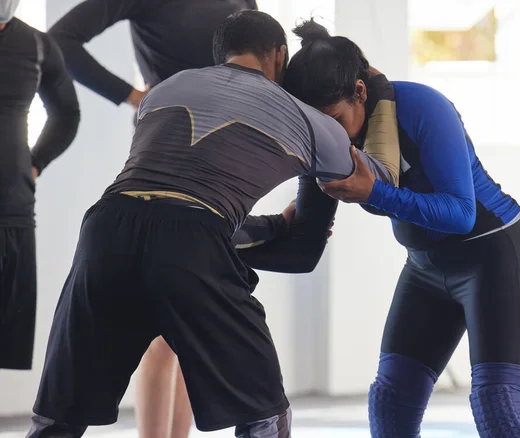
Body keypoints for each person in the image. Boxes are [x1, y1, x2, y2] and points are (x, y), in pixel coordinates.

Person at [26, 10, 396, 438]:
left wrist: (274, 224)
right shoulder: (308, 120)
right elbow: (381, 181)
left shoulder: (163, 91)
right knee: (264, 416)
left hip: (104, 231)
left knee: (59, 416)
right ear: (279, 56)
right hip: (193, 241)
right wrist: (382, 91)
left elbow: (169, 204)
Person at [283, 20, 520, 438]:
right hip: (425, 268)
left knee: (499, 408)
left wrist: (375, 194)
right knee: (391, 406)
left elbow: (461, 213)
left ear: (360, 93)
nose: (327, 134)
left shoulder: (421, 107)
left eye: (334, 119)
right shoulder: (327, 132)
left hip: (491, 257)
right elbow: (303, 241)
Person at [47, 2, 257, 436]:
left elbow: (258, 53)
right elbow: (61, 40)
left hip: (228, 158)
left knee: (190, 323)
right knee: (161, 329)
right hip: (167, 156)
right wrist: (134, 96)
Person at [0, 0, 80, 372]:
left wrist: (36, 163)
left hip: (13, 212)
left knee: (5, 344)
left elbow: (66, 112)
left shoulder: (36, 45)